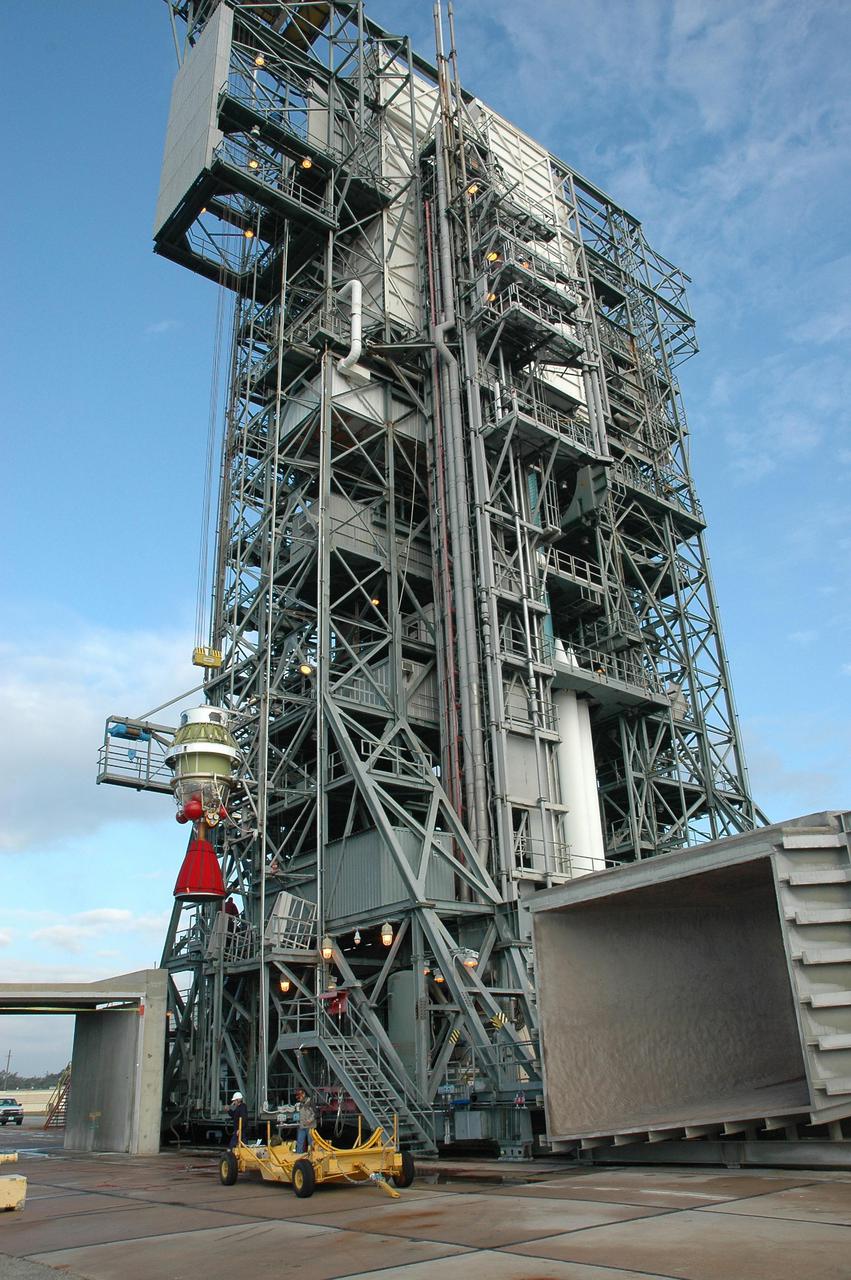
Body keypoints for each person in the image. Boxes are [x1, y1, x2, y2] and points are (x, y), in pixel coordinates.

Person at [294, 1087, 316, 1154]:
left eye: (300, 1096)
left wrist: (310, 1120)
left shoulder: (310, 1102)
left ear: (303, 1094)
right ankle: (298, 1155)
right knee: (300, 1141)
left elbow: (315, 1114)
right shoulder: (300, 1104)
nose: (299, 1098)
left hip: (310, 1126)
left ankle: (313, 1155)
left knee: (311, 1142)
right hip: (302, 1126)